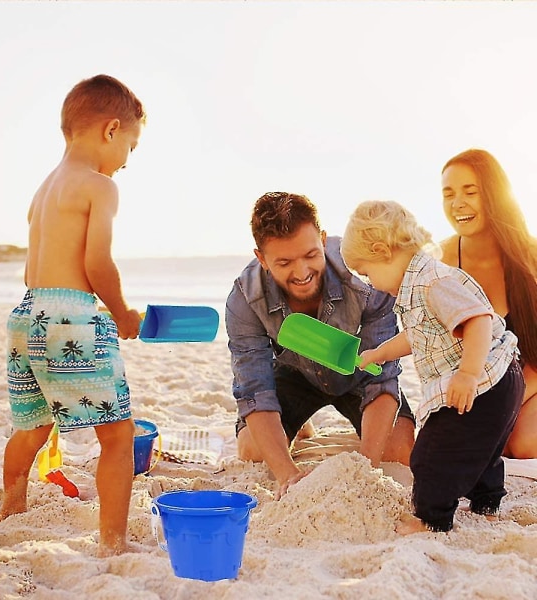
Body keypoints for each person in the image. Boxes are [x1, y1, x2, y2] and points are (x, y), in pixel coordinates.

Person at [0, 74, 146, 557]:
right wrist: (119, 312)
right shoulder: (100, 187)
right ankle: (113, 542)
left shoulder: (43, 191)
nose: (126, 160)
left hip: (27, 316)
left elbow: (37, 273)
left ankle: (11, 503)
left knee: (33, 425)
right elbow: (97, 261)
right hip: (70, 322)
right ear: (111, 130)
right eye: (131, 146)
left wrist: (77, 302)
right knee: (118, 435)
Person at [341, 200, 523, 534]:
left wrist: (468, 374)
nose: (372, 284)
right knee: (482, 448)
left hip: (483, 381)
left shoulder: (432, 281)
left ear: (382, 250)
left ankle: (431, 518)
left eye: (367, 273)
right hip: (498, 380)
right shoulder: (417, 288)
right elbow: (418, 333)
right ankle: (486, 504)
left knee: (430, 454)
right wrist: (380, 352)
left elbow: (479, 320)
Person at [225, 191, 415, 499]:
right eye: (284, 262)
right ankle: (300, 425)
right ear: (261, 258)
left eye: (311, 255)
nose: (301, 273)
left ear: (323, 240)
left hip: (358, 371)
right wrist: (288, 475)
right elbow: (254, 391)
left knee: (398, 450)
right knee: (252, 451)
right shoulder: (245, 300)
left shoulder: (364, 276)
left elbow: (382, 378)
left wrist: (363, 469)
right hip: (294, 373)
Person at [440, 148, 537, 459]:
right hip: (474, 393)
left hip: (530, 384)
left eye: (471, 191)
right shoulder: (439, 261)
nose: (458, 203)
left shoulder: (530, 256)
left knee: (521, 444)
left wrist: (510, 401)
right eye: (448, 193)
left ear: (494, 195)